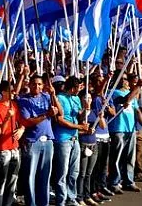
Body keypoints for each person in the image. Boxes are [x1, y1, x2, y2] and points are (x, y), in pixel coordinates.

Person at [18, 74, 60, 206]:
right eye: (34, 84)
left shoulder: (47, 97)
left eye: (40, 84)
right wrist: (47, 115)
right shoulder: (24, 100)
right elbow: (28, 121)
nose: (37, 86)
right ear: (29, 85)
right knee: (31, 176)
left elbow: (60, 113)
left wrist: (53, 95)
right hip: (33, 142)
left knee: (45, 176)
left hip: (48, 141)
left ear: (43, 86)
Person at [53, 76, 89, 206]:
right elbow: (60, 120)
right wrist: (80, 127)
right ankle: (61, 200)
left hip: (75, 139)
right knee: (62, 172)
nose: (79, 89)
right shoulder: (59, 98)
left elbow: (79, 115)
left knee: (74, 171)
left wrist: (86, 108)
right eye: (78, 87)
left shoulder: (76, 98)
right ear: (72, 87)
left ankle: (71, 198)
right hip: (63, 139)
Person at [108, 75, 142, 193]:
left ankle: (129, 181)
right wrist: (138, 87)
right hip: (118, 129)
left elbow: (137, 110)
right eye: (122, 79)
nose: (124, 81)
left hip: (131, 129)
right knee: (117, 157)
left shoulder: (131, 92)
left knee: (130, 158)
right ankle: (115, 182)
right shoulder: (113, 93)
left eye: (125, 79)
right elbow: (125, 100)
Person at [0, 81, 25, 206]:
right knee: (1, 182)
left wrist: (21, 129)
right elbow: (0, 131)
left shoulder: (14, 105)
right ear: (3, 92)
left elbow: (22, 121)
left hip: (15, 148)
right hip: (3, 149)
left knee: (13, 181)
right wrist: (7, 117)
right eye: (10, 90)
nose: (13, 92)